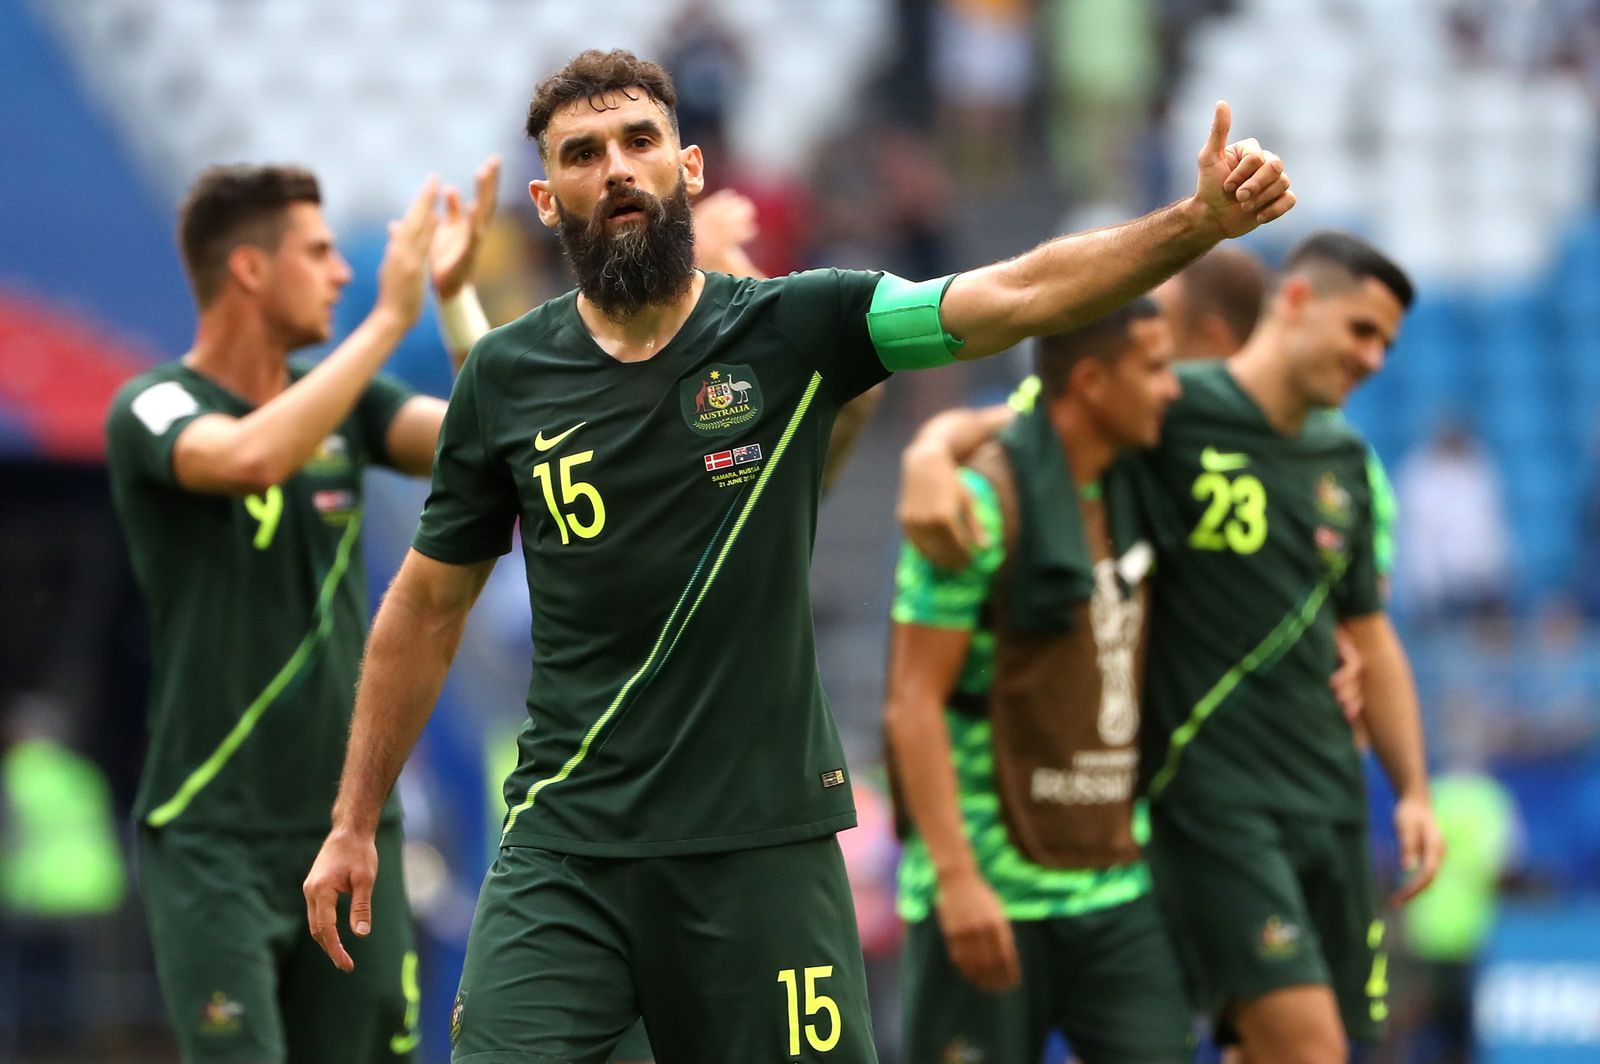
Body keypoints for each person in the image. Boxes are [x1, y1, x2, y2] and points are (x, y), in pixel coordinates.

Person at [300, 48, 1295, 1064]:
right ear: (548, 201)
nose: (617, 168)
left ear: (689, 168)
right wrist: (353, 820)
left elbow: (1016, 295)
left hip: (763, 853)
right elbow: (424, 605)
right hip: (568, 850)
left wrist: (1195, 223)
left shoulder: (796, 324)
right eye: (583, 154)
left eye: (640, 140)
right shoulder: (505, 377)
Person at [901, 233, 1445, 1062]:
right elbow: (1037, 417)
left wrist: (1408, 783)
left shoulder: (1348, 465)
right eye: (1361, 331)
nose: (1373, 359)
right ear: (1295, 303)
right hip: (1201, 802)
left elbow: (1364, 628)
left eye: (1386, 344)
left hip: (1312, 798)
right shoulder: (1161, 418)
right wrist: (930, 448)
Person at [104, 157, 499, 1064]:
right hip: (213, 835)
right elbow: (249, 458)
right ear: (249, 268)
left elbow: (495, 441)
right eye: (318, 252)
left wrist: (449, 300)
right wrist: (386, 320)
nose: (342, 272)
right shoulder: (153, 404)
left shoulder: (346, 404)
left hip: (350, 828)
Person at [885, 300, 1193, 1063]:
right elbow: (912, 704)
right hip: (987, 898)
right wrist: (957, 881)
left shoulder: (1135, 479)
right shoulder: (977, 505)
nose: (1173, 388)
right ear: (1090, 382)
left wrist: (935, 438)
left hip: (1114, 885)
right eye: (1154, 368)